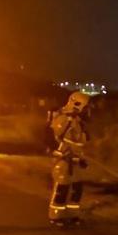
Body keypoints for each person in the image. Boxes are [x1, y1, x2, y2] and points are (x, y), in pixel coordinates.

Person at [48, 92, 91, 227]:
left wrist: (82, 157)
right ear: (77, 105)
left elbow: (80, 141)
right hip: (64, 160)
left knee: (77, 189)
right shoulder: (63, 119)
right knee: (62, 188)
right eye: (85, 107)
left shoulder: (77, 121)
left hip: (76, 160)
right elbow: (61, 139)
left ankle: (73, 215)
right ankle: (56, 216)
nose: (87, 111)